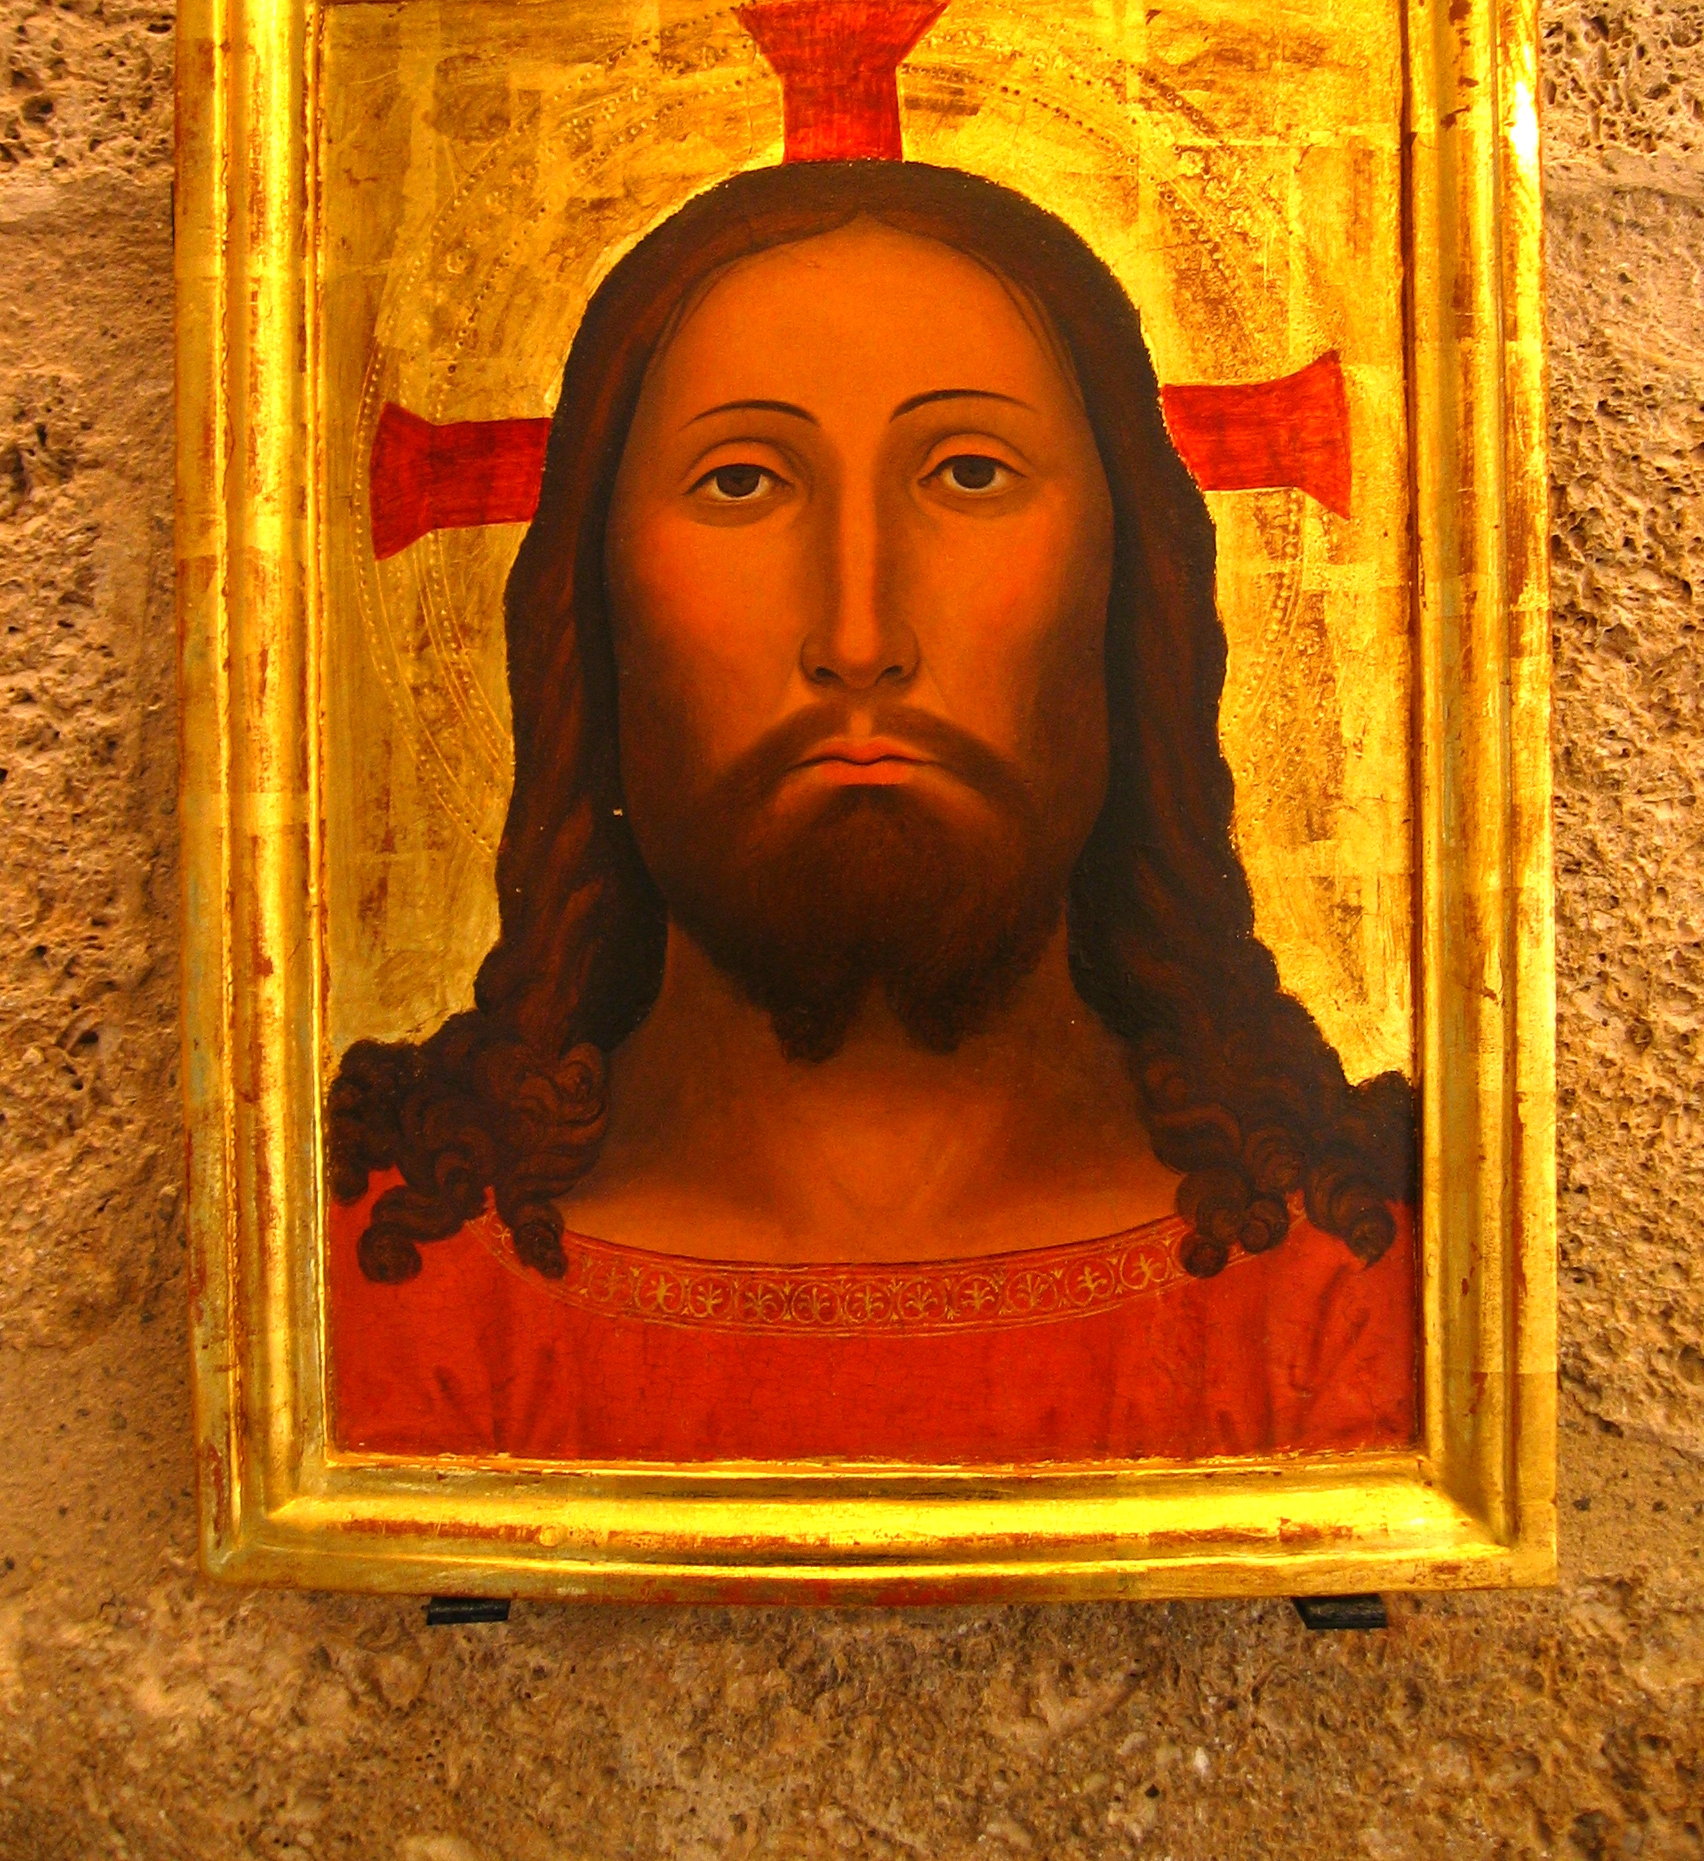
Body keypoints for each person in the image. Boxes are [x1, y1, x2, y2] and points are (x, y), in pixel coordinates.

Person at [326, 153, 1416, 1464]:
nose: (858, 638)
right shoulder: (378, 1303)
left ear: (1131, 593)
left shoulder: (1358, 1298)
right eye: (741, 481)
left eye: (969, 474)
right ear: (592, 613)